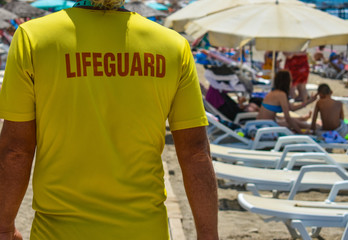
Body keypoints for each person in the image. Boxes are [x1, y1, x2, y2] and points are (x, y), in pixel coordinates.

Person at [0, 0, 219, 240]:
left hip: (58, 231)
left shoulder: (33, 38)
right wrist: (208, 235)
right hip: (144, 230)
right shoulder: (173, 45)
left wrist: (4, 226)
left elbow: (16, 150)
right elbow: (195, 152)